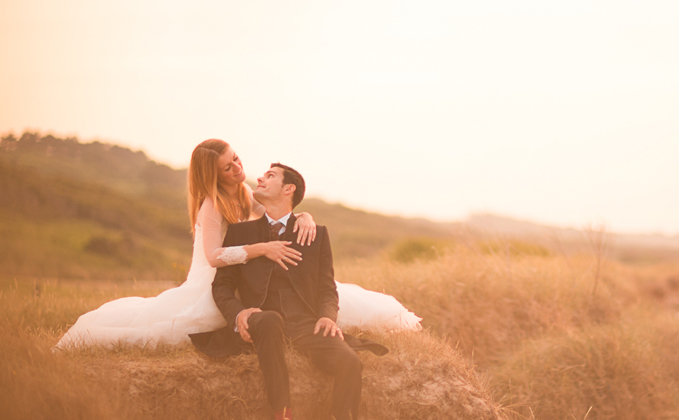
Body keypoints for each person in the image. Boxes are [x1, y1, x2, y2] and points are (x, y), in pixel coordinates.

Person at [55, 139, 420, 350]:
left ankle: (398, 322)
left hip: (251, 275)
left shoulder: (246, 192)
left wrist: (305, 217)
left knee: (336, 296)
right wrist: (261, 250)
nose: (238, 168)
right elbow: (214, 257)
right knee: (173, 331)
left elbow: (280, 211)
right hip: (213, 283)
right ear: (213, 174)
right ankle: (88, 338)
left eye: (236, 159)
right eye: (228, 166)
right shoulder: (211, 205)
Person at [195, 163, 376, 420]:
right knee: (269, 319)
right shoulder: (240, 234)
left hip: (305, 325)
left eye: (270, 176)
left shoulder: (316, 234)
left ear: (288, 189)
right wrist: (239, 314)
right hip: (263, 322)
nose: (259, 178)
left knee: (350, 362)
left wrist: (328, 316)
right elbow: (221, 286)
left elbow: (327, 288)